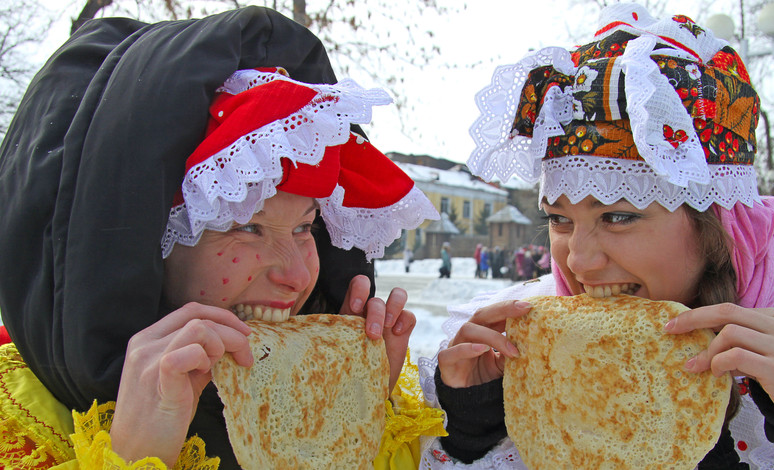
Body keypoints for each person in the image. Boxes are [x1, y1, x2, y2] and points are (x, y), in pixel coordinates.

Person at [417, 5, 774, 468]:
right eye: (559, 219)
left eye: (618, 217)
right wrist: (469, 420)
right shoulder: (512, 346)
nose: (578, 262)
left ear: (718, 225)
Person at [0, 9, 445, 469]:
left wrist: (357, 420)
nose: (296, 277)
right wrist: (131, 459)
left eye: (305, 227)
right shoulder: (18, 429)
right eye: (246, 227)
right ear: (139, 248)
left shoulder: (351, 394)